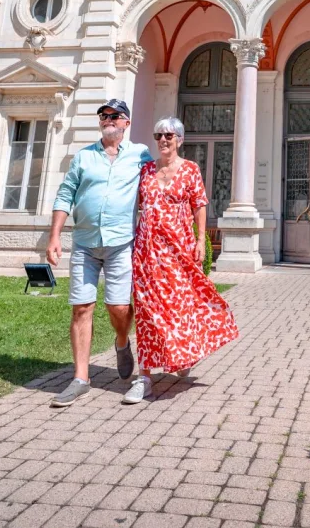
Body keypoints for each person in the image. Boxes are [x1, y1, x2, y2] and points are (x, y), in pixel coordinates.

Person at [123, 116, 238, 404]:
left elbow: (199, 204)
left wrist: (201, 240)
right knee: (148, 312)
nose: (163, 140)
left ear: (180, 140)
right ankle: (145, 376)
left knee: (180, 307)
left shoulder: (190, 170)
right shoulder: (146, 170)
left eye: (169, 136)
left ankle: (184, 352)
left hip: (179, 252)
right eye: (159, 134)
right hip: (147, 252)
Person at [46, 99, 153, 407]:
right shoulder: (84, 157)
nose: (107, 119)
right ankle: (80, 378)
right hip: (84, 241)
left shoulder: (140, 155)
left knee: (119, 307)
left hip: (121, 243)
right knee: (81, 307)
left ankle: (122, 341)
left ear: (126, 122)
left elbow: (154, 191)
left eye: (114, 115)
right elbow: (65, 193)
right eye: (103, 116)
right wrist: (55, 236)